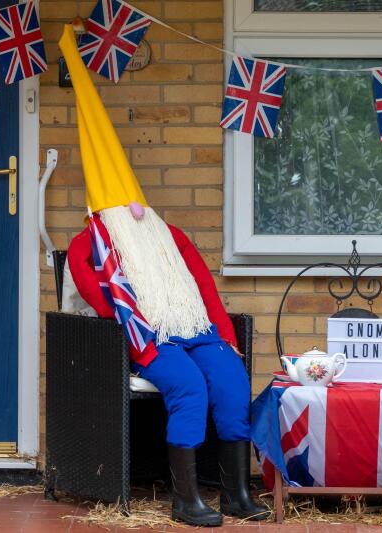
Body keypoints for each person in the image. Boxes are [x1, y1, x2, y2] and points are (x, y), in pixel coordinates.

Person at [58, 24, 266, 527]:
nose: (131, 213)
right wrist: (117, 312)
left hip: (195, 328)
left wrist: (222, 333)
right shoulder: (96, 243)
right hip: (148, 337)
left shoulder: (167, 235)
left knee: (232, 383)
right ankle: (185, 500)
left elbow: (203, 286)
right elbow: (83, 276)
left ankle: (237, 492)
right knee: (190, 388)